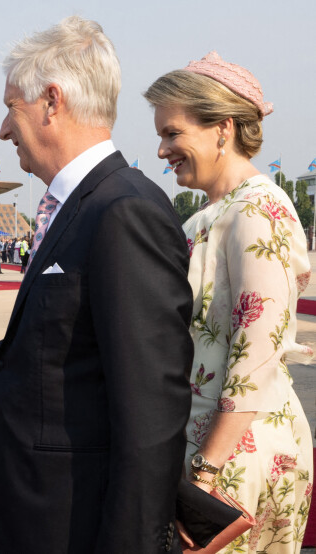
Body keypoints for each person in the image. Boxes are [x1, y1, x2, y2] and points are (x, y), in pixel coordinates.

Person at [0, 16, 193, 552]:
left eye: (12, 108)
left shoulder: (123, 212)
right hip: (40, 513)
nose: (4, 130)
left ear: (52, 102)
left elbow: (151, 414)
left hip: (77, 521)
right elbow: (45, 347)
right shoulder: (83, 206)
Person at [145, 52, 314, 552]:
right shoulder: (212, 215)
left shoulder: (259, 209)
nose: (161, 150)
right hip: (210, 449)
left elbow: (256, 351)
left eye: (172, 133)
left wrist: (207, 471)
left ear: (222, 129)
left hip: (238, 456)